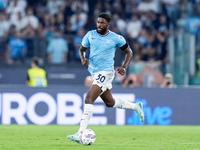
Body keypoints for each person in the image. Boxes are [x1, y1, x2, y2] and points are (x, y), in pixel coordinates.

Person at [67, 12, 144, 144]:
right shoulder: (90, 35)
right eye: (98, 22)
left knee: (88, 98)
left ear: (108, 24)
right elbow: (81, 50)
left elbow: (129, 52)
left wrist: (124, 67)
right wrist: (82, 59)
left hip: (106, 72)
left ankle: (80, 133)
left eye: (102, 22)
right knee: (110, 103)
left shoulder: (116, 38)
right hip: (94, 72)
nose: (99, 25)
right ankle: (136, 107)